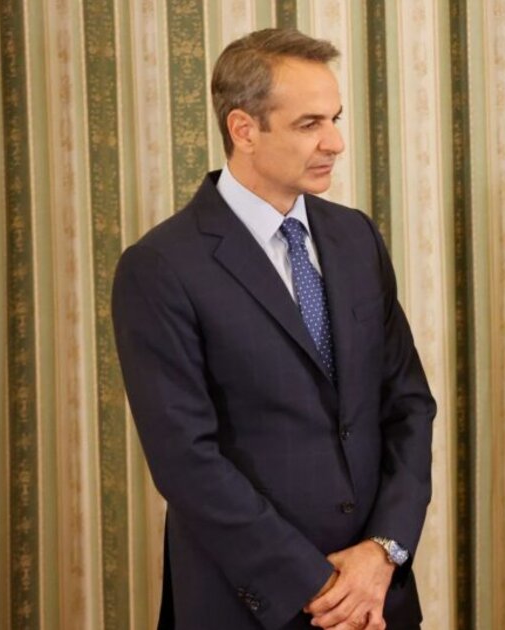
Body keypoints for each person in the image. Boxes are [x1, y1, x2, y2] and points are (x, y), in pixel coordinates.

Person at [112, 28, 434, 630]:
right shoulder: (160, 266)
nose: (335, 142)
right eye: (309, 124)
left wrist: (382, 552)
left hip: (376, 596)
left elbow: (409, 404)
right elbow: (185, 460)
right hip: (248, 602)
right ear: (243, 129)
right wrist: (319, 586)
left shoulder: (356, 236)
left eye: (334, 119)